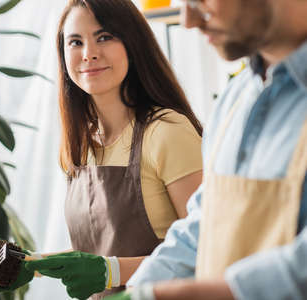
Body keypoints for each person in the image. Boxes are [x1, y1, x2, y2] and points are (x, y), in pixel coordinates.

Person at [103, 0, 307, 299]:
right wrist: (141, 286)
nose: (188, 19)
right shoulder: (235, 98)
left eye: (199, 0)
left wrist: (172, 296)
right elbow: (204, 220)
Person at [25, 0, 204, 299]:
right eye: (75, 42)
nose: (89, 53)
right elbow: (98, 251)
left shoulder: (167, 131)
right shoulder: (82, 144)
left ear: (133, 43)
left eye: (104, 37)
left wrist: (111, 271)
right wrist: (30, 265)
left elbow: (209, 249)